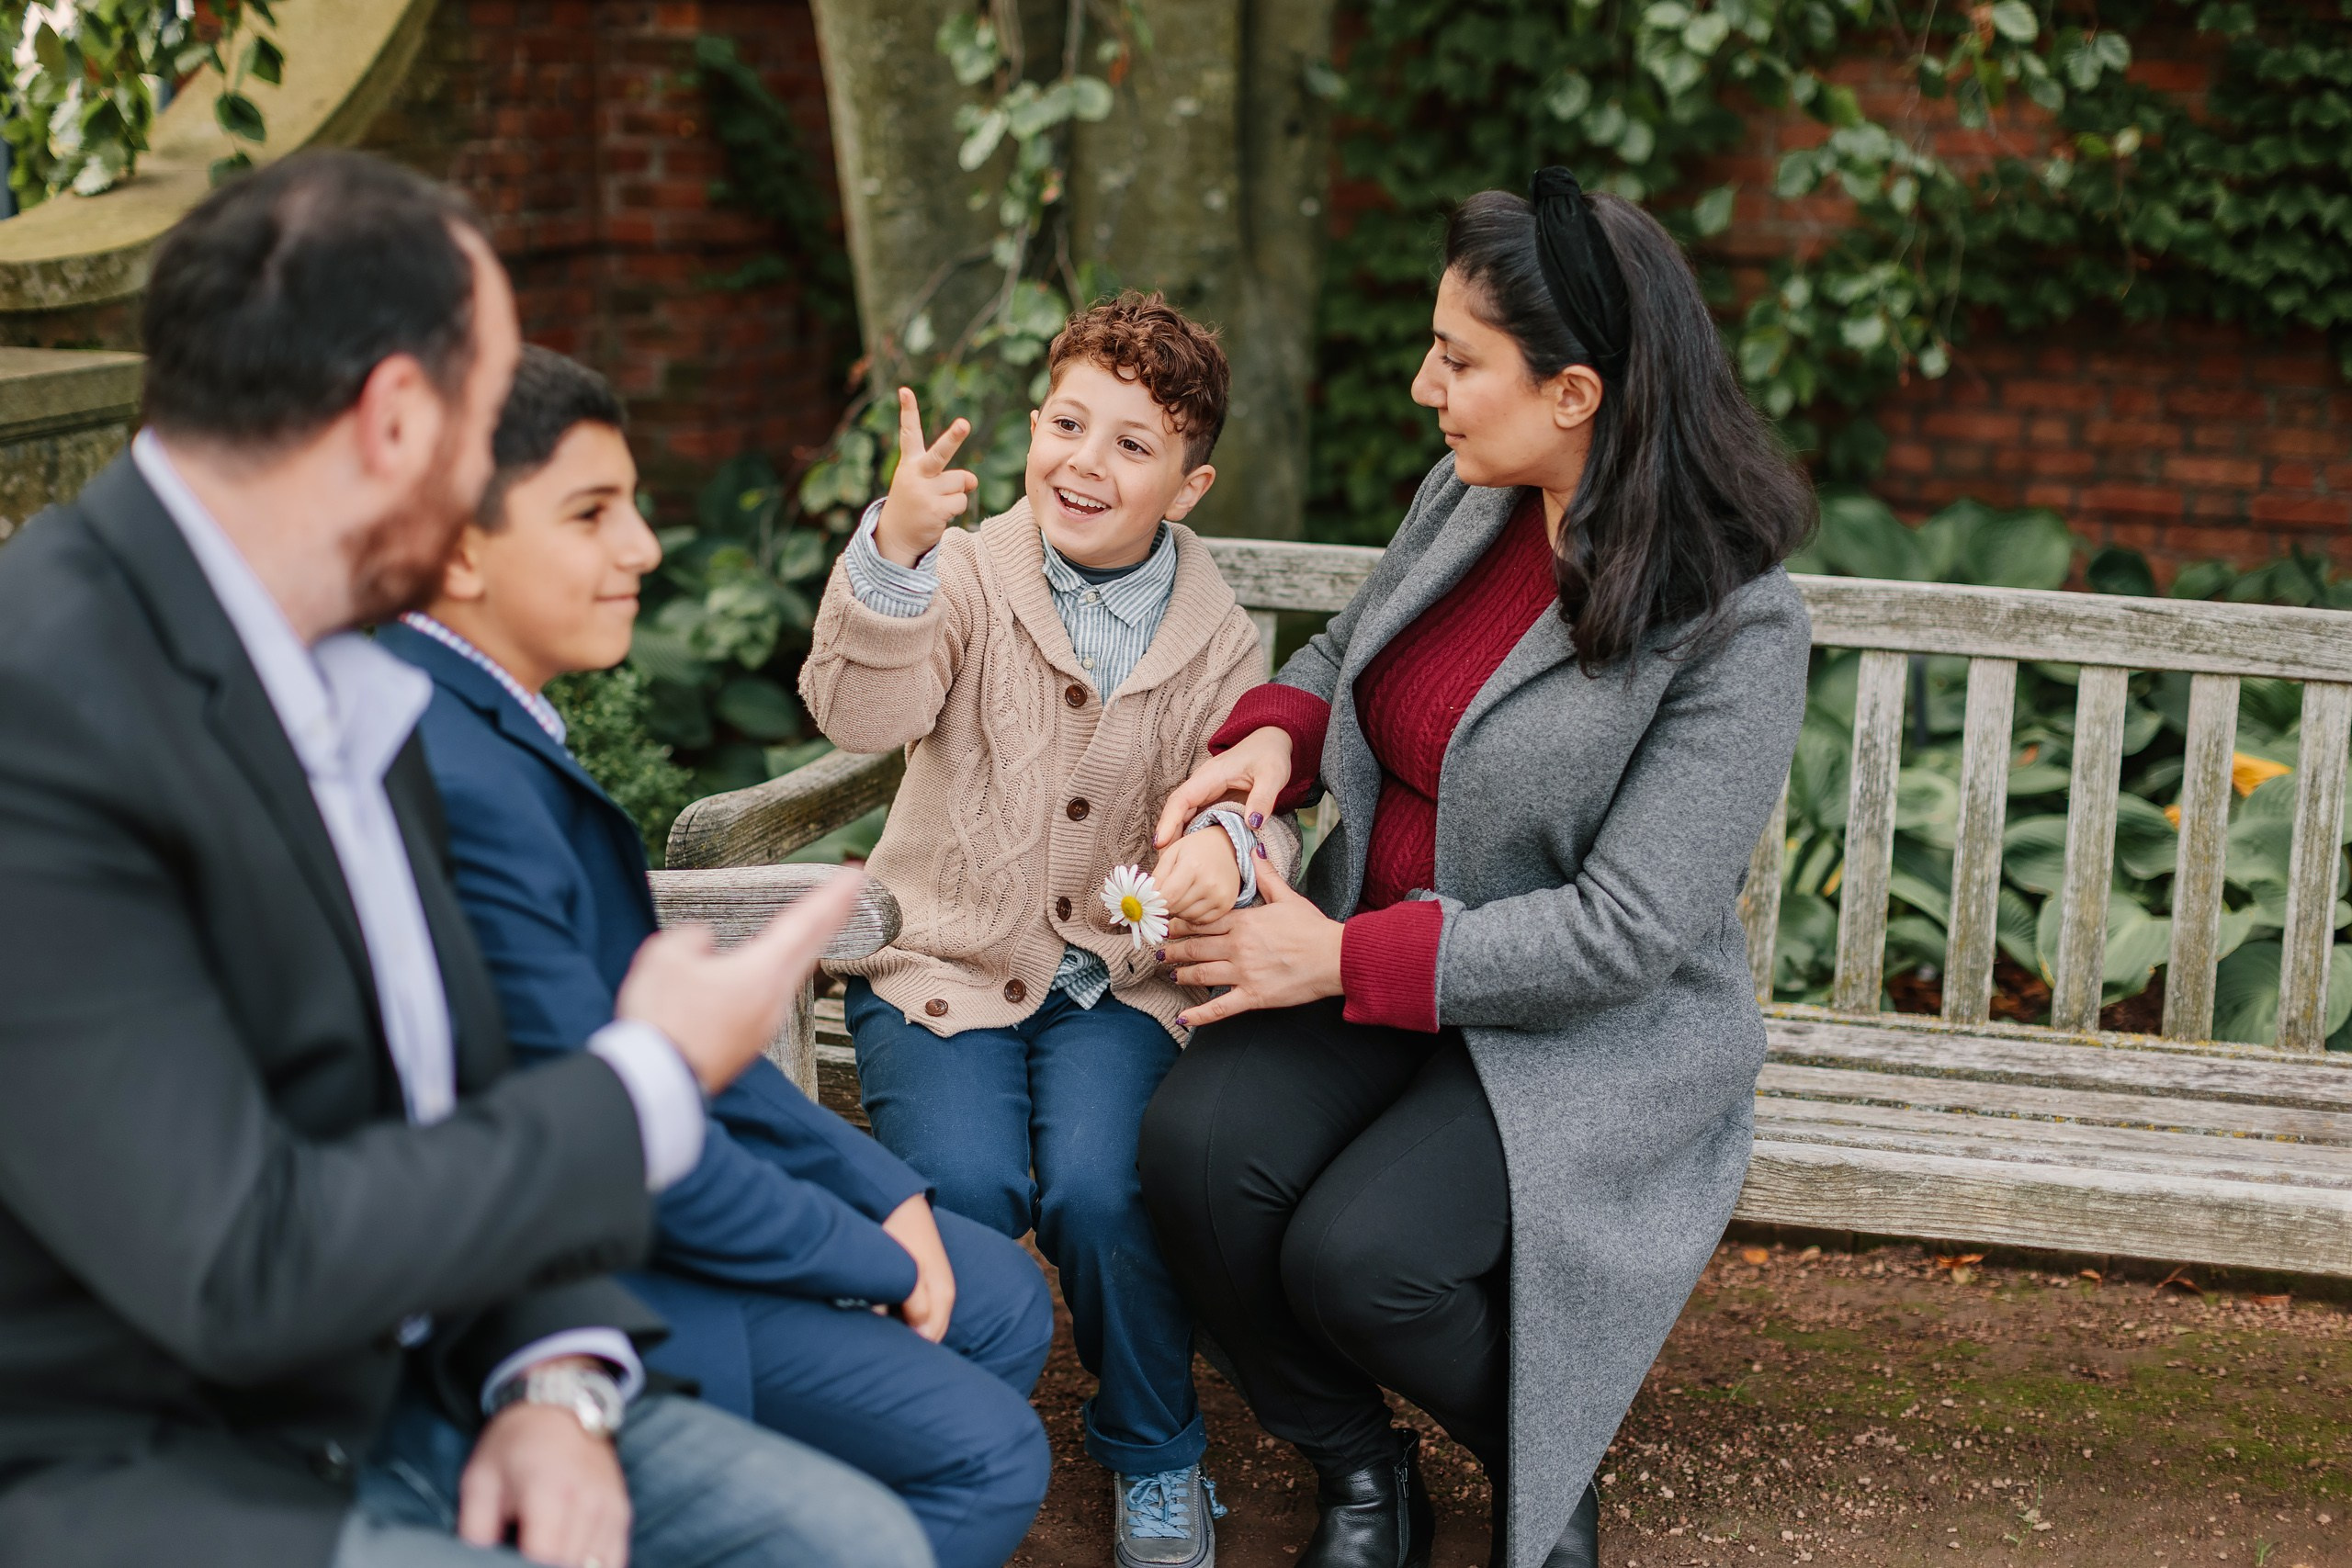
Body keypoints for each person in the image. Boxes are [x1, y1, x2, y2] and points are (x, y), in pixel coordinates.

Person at [0, 151, 930, 1568]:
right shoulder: (43, 704)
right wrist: (651, 1078)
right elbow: (239, 1265)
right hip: (168, 1454)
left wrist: (552, 1371)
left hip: (440, 1376)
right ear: (393, 420)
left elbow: (456, 1072)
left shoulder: (341, 660)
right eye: (493, 415)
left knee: (856, 1547)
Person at [1135, 169, 1817, 1568]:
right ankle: (1364, 1470)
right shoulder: (1466, 493)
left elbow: (1625, 935)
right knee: (1195, 1160)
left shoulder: (1734, 624)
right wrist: (1276, 745)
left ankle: (1544, 1473)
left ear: (1574, 392)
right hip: (1381, 958)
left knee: (1363, 1265)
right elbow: (1344, 659)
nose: (1421, 386)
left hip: (1580, 1029)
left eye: (1457, 358)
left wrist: (1333, 961)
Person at [378, 344, 1056, 1568]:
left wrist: (878, 1188)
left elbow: (665, 1037)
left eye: (632, 505)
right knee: (993, 1450)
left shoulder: (502, 721)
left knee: (996, 1297)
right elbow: (615, 1136)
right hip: (602, 1273)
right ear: (461, 550)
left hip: (661, 1190)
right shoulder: (451, 777)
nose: (643, 548)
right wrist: (860, 1253)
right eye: (593, 514)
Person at [798, 291, 1299, 1568]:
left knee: (1107, 1188)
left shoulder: (1219, 633)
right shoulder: (966, 575)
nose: (1088, 460)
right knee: (965, 1185)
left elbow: (1260, 797)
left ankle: (1155, 1447)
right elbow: (857, 715)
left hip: (1117, 982)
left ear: (1187, 488)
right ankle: (943, 1437)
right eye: (1069, 423)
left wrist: (1223, 850)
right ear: (1033, 428)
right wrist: (894, 555)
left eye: (1134, 445)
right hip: (943, 963)